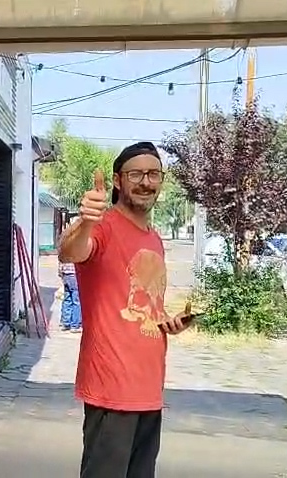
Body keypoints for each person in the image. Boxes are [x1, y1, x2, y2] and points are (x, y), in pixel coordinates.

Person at [57, 141, 193, 478]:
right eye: (136, 174)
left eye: (154, 174)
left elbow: (147, 304)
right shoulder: (104, 226)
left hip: (149, 388)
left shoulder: (153, 238)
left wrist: (168, 322)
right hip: (112, 388)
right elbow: (71, 252)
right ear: (118, 181)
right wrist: (86, 221)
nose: (146, 182)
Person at [58, 256, 82, 332]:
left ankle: (65, 323)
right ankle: (75, 325)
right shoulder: (76, 252)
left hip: (65, 275)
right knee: (76, 301)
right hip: (74, 274)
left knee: (67, 299)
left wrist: (61, 274)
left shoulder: (65, 250)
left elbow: (60, 261)